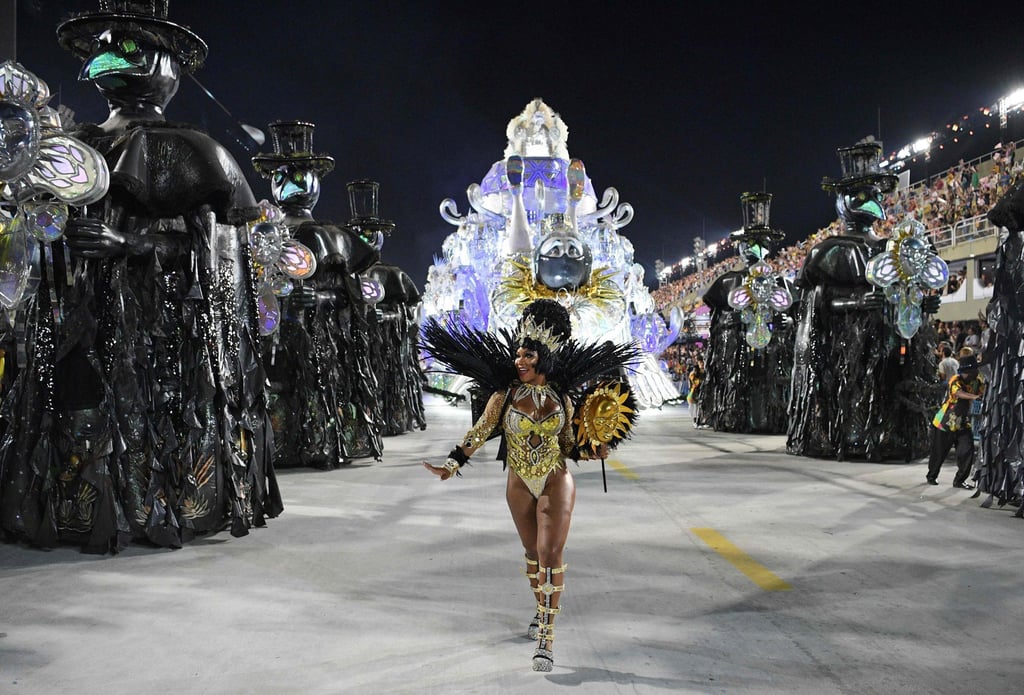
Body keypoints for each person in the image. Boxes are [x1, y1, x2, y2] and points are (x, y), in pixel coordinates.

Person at [420, 298, 636, 672]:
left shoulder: (563, 399)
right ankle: (541, 608)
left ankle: (546, 640)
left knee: (550, 552)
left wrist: (594, 450)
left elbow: (568, 447)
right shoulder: (504, 397)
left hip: (555, 478)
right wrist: (452, 465)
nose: (519, 361)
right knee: (534, 556)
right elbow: (480, 431)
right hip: (519, 483)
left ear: (545, 356)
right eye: (518, 354)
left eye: (528, 355)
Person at [927, 354, 985, 487]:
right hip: (945, 422)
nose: (973, 373)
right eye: (970, 372)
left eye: (974, 371)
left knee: (967, 451)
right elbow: (958, 393)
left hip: (963, 422)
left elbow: (984, 392)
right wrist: (975, 396)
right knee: (939, 452)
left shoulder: (978, 381)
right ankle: (932, 475)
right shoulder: (955, 379)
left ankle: (959, 480)